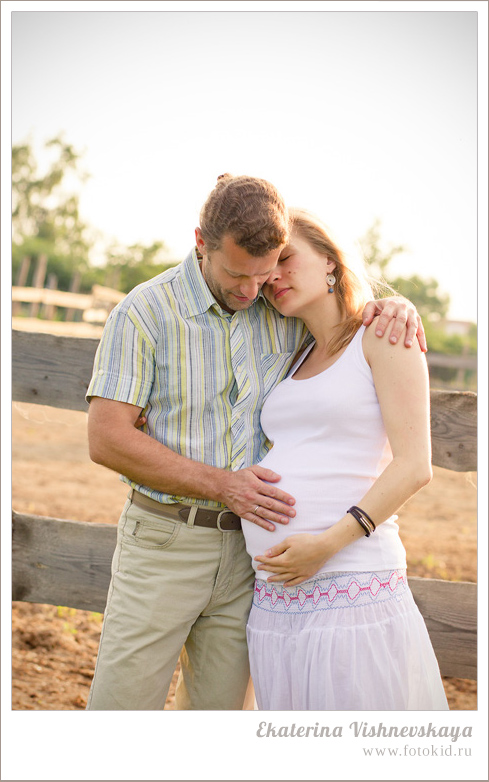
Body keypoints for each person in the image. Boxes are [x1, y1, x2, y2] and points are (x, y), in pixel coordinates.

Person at [85, 174, 426, 710]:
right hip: (167, 541)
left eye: (267, 272)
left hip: (255, 570)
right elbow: (105, 439)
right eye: (238, 274)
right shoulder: (145, 312)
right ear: (201, 242)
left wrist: (397, 305)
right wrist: (225, 486)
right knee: (122, 711)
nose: (252, 290)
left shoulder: (282, 311)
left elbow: (346, 324)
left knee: (220, 725)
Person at [242, 208, 448, 711]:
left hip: (349, 583)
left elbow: (414, 465)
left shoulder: (381, 335)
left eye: (286, 259)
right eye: (267, 269)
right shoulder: (293, 353)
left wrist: (326, 545)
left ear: (331, 261)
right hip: (277, 600)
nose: (273, 276)